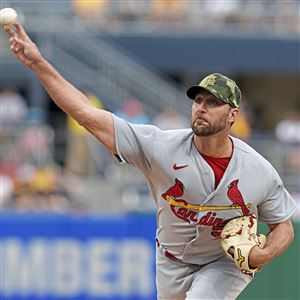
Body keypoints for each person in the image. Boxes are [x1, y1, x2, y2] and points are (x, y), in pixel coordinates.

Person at [3, 22, 296, 300]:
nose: (202, 108)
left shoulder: (257, 170)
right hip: (170, 260)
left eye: (213, 102)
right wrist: (37, 63)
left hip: (223, 262)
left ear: (233, 114)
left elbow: (283, 226)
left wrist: (263, 254)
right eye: (198, 101)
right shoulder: (161, 147)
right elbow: (87, 115)